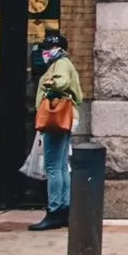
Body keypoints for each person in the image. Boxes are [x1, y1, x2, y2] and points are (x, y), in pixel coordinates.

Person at [28, 33, 81, 231]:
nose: (44, 52)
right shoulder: (63, 63)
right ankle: (64, 210)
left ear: (58, 49)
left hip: (56, 118)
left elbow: (63, 82)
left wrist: (50, 85)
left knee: (52, 167)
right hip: (66, 117)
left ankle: (54, 210)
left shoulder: (60, 64)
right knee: (61, 166)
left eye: (47, 48)